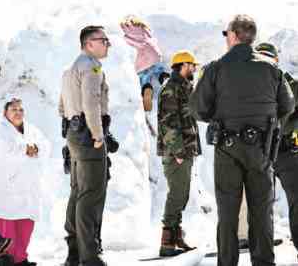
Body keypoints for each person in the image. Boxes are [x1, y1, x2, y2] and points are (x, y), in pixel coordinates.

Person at [190, 14, 295, 266]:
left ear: (234, 36)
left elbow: (197, 109)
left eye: (227, 34)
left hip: (227, 148)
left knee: (228, 212)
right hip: (261, 148)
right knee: (261, 210)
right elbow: (288, 104)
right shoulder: (272, 69)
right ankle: (263, 262)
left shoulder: (215, 68)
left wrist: (220, 113)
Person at [59, 25, 110, 266]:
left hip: (74, 134)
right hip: (89, 136)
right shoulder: (91, 66)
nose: (107, 44)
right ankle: (89, 255)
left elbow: (62, 106)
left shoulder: (70, 70)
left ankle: (74, 251)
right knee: (91, 194)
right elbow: (91, 103)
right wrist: (98, 134)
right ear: (89, 44)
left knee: (78, 192)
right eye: (103, 40)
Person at [0, 98, 50, 266]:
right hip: (8, 186)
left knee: (26, 225)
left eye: (21, 109)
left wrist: (36, 148)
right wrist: (25, 149)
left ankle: (20, 259)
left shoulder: (31, 129)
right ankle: (7, 260)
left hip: (28, 186)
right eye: (14, 109)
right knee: (8, 226)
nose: (18, 112)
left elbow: (45, 144)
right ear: (5, 112)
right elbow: (1, 150)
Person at [157, 51, 201, 256]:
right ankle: (166, 242)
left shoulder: (184, 87)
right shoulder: (171, 88)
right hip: (177, 152)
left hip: (184, 150)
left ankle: (176, 237)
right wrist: (178, 151)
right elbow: (168, 122)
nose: (194, 69)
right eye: (192, 65)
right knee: (176, 194)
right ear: (183, 65)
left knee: (181, 193)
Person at [256, 42, 298, 258]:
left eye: (267, 57)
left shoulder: (289, 83)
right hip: (257, 151)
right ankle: (262, 254)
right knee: (260, 204)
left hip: (284, 151)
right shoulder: (247, 84)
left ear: (276, 59)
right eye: (260, 56)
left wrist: (283, 128)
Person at [120, 16, 169, 111]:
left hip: (142, 62)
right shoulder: (144, 28)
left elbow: (125, 42)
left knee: (144, 79)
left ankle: (147, 88)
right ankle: (164, 78)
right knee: (158, 70)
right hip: (155, 56)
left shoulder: (125, 31)